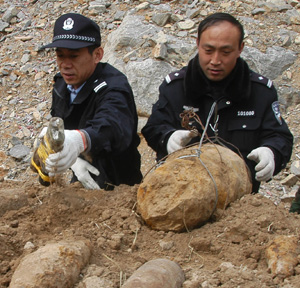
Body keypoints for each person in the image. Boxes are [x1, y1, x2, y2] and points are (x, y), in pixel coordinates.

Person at [141, 12, 293, 193]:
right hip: (180, 195)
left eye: (226, 52)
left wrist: (271, 152)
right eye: (208, 50)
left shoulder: (260, 92)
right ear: (197, 44)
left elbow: (280, 136)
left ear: (240, 48)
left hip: (239, 200)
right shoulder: (175, 88)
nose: (215, 61)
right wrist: (168, 139)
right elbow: (153, 128)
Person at [39, 12, 142, 190]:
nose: (65, 64)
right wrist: (72, 161)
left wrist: (80, 140)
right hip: (82, 173)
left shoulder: (114, 86)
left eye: (74, 56)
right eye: (60, 55)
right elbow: (62, 123)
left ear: (97, 55)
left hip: (120, 182)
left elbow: (112, 126)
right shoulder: (62, 84)